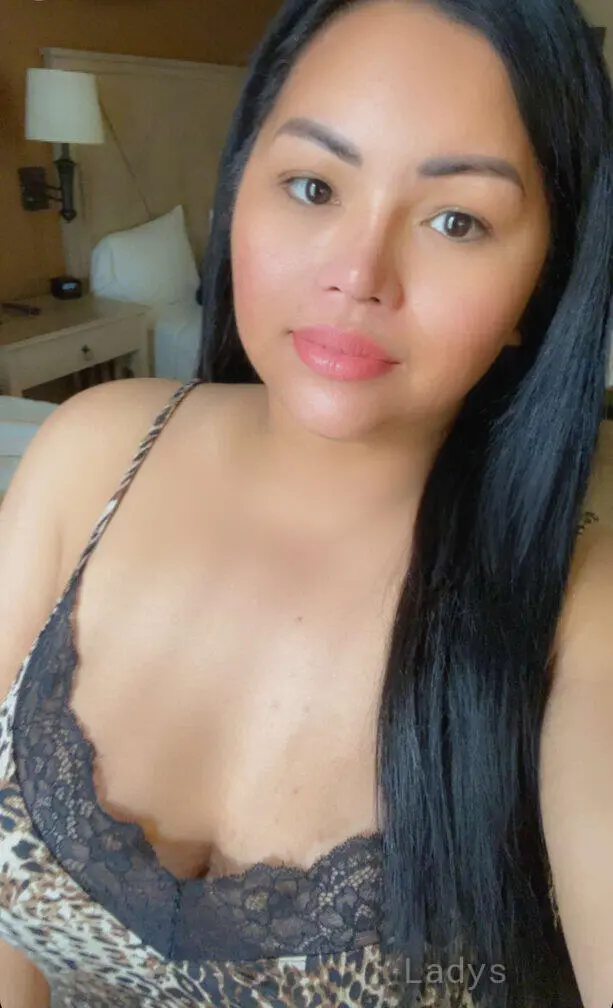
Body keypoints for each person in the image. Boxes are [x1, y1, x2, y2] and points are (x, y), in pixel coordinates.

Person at [1, 0, 613, 1004]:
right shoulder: (88, 454)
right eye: (313, 185)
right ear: (236, 194)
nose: (356, 275)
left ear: (539, 290)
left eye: (456, 220)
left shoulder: (572, 611)